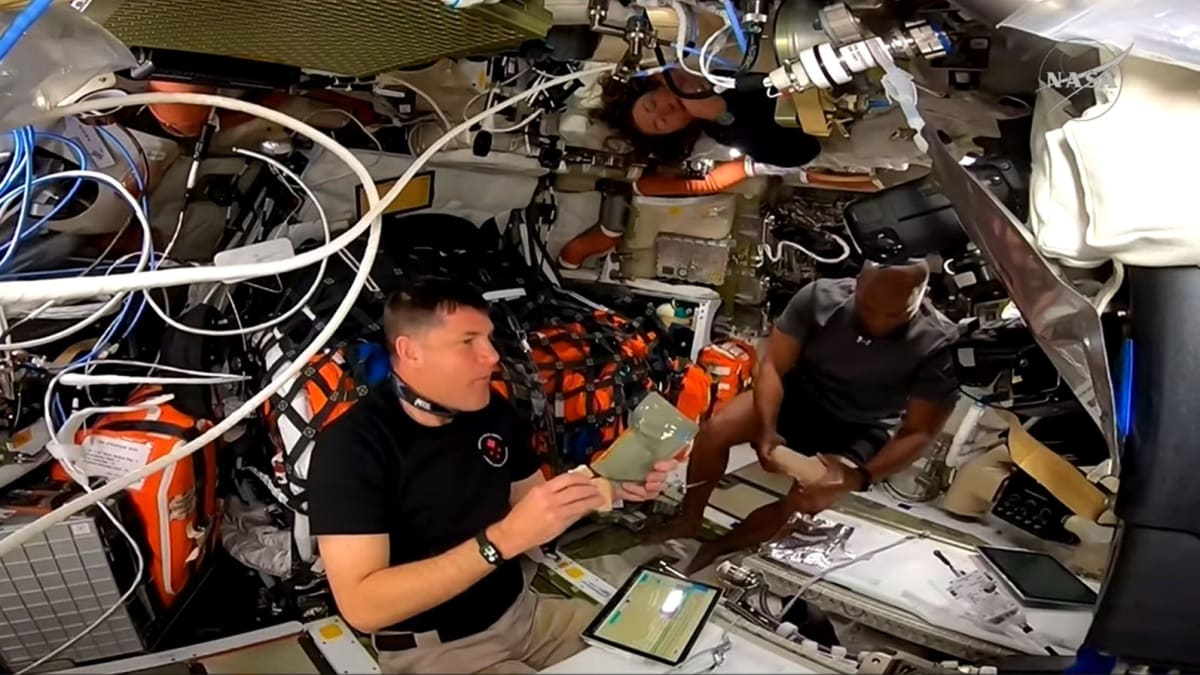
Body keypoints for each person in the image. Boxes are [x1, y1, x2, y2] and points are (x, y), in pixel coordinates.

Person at [307, 278, 673, 674]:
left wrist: (612, 486)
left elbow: (536, 509)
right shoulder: (350, 449)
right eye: (468, 342)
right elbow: (362, 607)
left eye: (489, 339)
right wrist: (500, 541)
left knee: (653, 644)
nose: (492, 357)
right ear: (410, 351)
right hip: (438, 651)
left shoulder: (489, 409)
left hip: (526, 617)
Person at [652, 261, 961, 573]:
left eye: (894, 315)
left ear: (923, 296)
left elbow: (919, 431)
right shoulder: (820, 298)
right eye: (866, 307)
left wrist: (860, 477)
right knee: (716, 430)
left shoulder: (938, 344)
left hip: (861, 425)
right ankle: (689, 518)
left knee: (809, 500)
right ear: (857, 285)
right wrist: (767, 430)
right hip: (797, 397)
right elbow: (772, 364)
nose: (877, 322)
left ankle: (719, 546)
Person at [598, 70, 822, 167]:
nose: (665, 111)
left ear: (656, 84)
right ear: (676, 132)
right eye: (662, 124)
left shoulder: (686, 57)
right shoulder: (723, 129)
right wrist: (723, 114)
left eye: (653, 104)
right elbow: (804, 151)